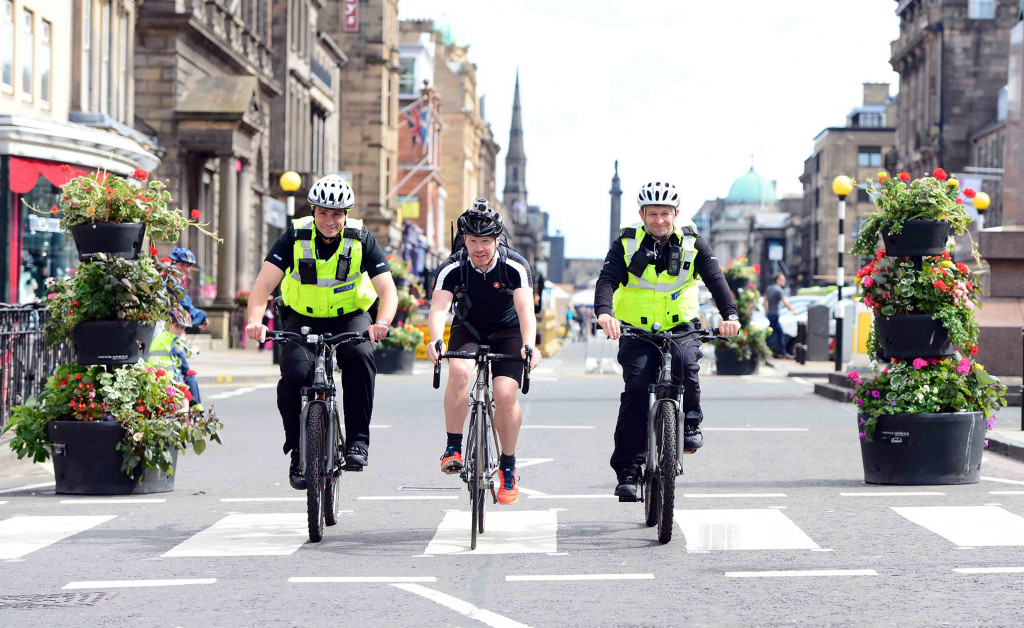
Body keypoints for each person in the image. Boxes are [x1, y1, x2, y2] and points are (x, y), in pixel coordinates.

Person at [243, 174, 397, 489]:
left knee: (359, 357)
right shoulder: (294, 236)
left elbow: (388, 290)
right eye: (323, 213)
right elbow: (262, 286)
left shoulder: (360, 237)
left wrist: (381, 322)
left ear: (346, 215)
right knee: (294, 377)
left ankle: (357, 441)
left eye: (337, 214)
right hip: (302, 316)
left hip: (349, 316)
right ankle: (297, 450)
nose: (330, 220)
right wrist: (255, 321)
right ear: (313, 210)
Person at [595, 180, 741, 501]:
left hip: (680, 326)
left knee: (686, 365)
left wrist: (730, 316)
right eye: (652, 214)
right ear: (641, 214)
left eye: (665, 213)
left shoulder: (694, 244)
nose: (659, 220)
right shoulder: (626, 243)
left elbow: (716, 280)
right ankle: (629, 470)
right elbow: (607, 280)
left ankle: (689, 424)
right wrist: (604, 313)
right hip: (637, 329)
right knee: (635, 389)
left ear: (675, 213)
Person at [425, 199, 541, 505]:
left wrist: (530, 344)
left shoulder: (515, 265)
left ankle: (508, 466)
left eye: (486, 241)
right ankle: (453, 447)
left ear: (497, 239)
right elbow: (438, 309)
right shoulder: (452, 266)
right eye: (473, 241)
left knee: (504, 394)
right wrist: (435, 340)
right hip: (470, 328)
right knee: (460, 371)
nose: (479, 248)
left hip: (508, 331)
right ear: (464, 239)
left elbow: (526, 310)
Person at [149, 305, 201, 409]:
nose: (180, 331)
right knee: (184, 398)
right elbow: (186, 353)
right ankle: (184, 419)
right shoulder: (172, 339)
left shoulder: (159, 337)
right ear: (167, 324)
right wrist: (195, 350)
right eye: (177, 326)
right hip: (168, 377)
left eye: (183, 328)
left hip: (154, 377)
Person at [167, 247, 208, 329]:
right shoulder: (171, 283)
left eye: (188, 266)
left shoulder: (176, 282)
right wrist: (202, 317)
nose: (185, 269)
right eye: (181, 265)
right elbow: (186, 307)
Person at [764, 272, 798, 359]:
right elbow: (785, 302)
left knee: (779, 333)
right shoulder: (779, 290)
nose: (784, 281)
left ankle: (783, 352)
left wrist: (766, 311)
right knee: (771, 333)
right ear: (778, 280)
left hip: (770, 314)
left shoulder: (769, 288)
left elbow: (765, 299)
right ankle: (764, 350)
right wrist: (793, 310)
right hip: (775, 314)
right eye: (782, 280)